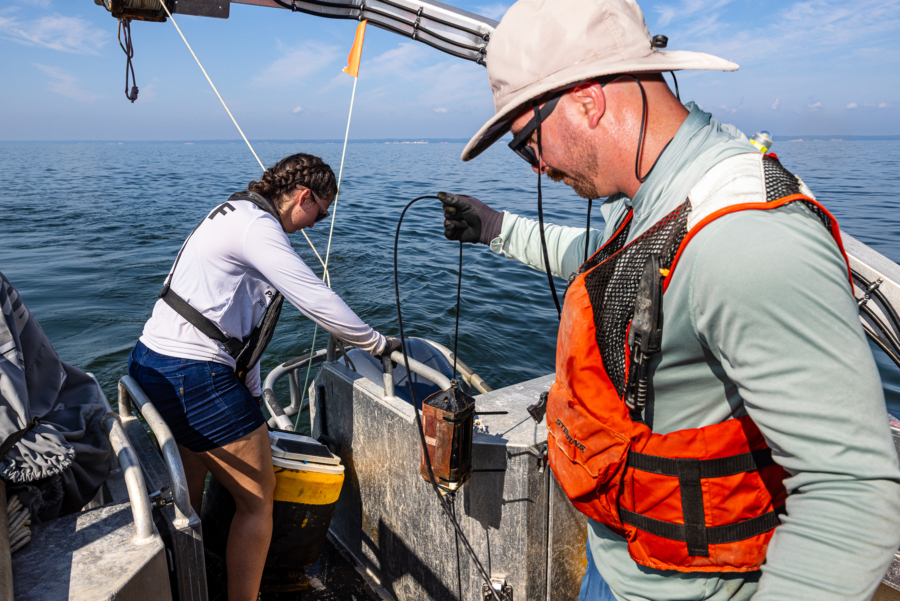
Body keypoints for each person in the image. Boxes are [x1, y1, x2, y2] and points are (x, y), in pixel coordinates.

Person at [437, 0, 900, 599]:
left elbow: (851, 491)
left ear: (586, 98)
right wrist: (496, 227)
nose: (538, 166)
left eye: (528, 141)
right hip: (618, 559)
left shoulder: (745, 237)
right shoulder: (656, 199)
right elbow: (611, 266)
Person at [128, 152, 399, 601]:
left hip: (151, 361)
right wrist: (375, 343)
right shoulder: (259, 227)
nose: (320, 221)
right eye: (322, 210)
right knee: (258, 499)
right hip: (191, 375)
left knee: (189, 488)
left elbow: (237, 328)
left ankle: (185, 584)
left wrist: (250, 397)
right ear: (303, 196)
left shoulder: (235, 209)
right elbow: (313, 297)